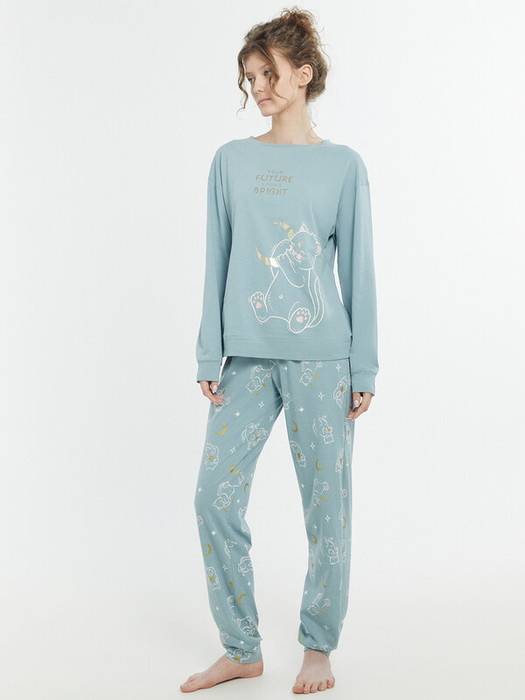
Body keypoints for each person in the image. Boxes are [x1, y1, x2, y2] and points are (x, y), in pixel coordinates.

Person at [181, 7, 379, 695]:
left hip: (323, 360)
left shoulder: (342, 166)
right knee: (212, 499)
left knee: (327, 508)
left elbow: (357, 270)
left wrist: (364, 365)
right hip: (244, 358)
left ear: (303, 73)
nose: (258, 86)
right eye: (249, 76)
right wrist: (209, 352)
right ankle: (241, 648)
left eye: (269, 73)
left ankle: (317, 647)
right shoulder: (231, 161)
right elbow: (217, 256)